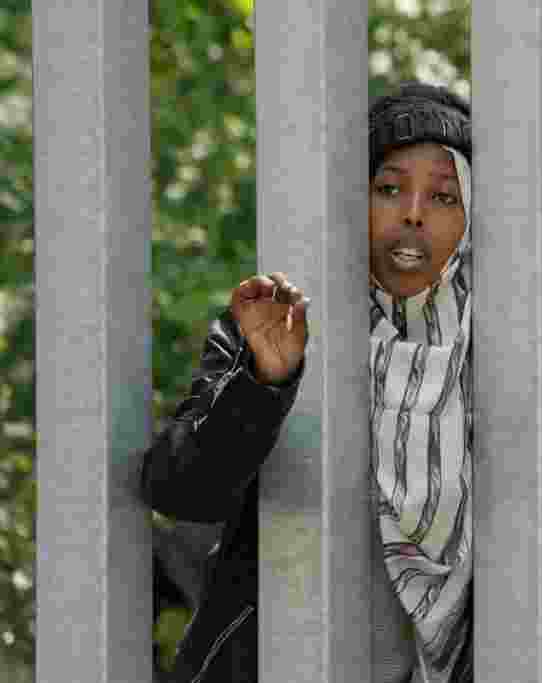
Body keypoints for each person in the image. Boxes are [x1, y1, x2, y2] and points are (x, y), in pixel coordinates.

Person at [139, 82, 475, 683]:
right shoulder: (272, 326)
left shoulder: (505, 354)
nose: (414, 212)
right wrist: (267, 380)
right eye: (389, 188)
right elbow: (180, 489)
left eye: (445, 196)